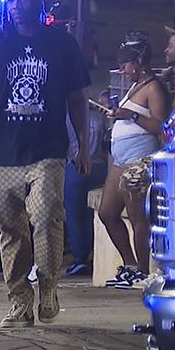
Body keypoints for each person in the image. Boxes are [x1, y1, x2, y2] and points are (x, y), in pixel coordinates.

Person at [0, 0, 91, 329]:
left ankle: (48, 286)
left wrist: (83, 142)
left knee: (48, 214)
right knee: (10, 228)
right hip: (3, 153)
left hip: (48, 150)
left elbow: (77, 97)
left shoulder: (61, 44)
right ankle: (20, 302)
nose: (16, 5)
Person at [100, 35, 170, 289]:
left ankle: (142, 270)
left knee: (138, 216)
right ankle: (129, 265)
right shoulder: (135, 85)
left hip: (139, 160)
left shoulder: (154, 87)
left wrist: (130, 116)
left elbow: (162, 128)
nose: (123, 70)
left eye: (126, 64)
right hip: (120, 160)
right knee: (107, 213)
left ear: (139, 61)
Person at [62, 86, 109, 278]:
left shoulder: (67, 118)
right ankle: (95, 255)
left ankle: (80, 259)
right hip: (99, 167)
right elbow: (107, 143)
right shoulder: (100, 119)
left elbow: (64, 143)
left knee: (75, 216)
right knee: (94, 215)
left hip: (76, 166)